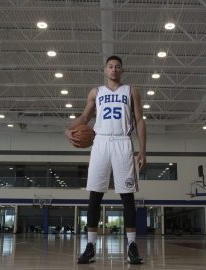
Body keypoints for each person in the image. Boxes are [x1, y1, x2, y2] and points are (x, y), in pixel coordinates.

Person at [66, 55, 146, 264]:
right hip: (100, 142)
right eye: (110, 66)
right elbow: (85, 117)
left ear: (122, 70)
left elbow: (139, 120)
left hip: (122, 142)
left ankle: (132, 246)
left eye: (117, 66)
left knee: (127, 196)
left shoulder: (131, 91)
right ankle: (91, 246)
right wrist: (70, 129)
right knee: (95, 195)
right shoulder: (96, 92)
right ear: (105, 70)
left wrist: (143, 150)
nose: (114, 69)